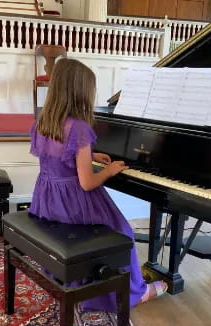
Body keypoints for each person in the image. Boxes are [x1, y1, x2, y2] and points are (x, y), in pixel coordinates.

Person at [29, 58, 167, 316]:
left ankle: (77, 280)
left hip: (48, 202)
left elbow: (58, 155)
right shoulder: (79, 127)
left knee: (110, 233)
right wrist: (109, 170)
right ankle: (136, 293)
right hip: (75, 203)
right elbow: (87, 182)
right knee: (124, 233)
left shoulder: (43, 121)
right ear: (80, 92)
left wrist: (91, 156)